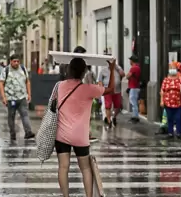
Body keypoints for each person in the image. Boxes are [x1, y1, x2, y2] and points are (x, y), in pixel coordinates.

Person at [55, 57, 116, 197]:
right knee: (85, 168)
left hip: (62, 134)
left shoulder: (60, 86)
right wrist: (111, 70)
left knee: (63, 167)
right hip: (80, 135)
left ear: (69, 70)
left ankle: (65, 196)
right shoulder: (89, 89)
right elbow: (111, 89)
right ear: (84, 72)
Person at [0, 54, 35, 140]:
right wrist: (3, 97)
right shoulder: (6, 70)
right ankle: (12, 134)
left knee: (25, 114)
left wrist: (29, 94)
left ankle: (28, 132)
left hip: (22, 97)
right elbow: (1, 83)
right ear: (10, 61)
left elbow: (27, 81)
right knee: (11, 116)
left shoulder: (23, 68)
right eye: (14, 61)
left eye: (18, 61)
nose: (16, 63)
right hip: (11, 99)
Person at [160, 61, 181, 139]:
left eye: (174, 68)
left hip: (179, 102)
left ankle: (179, 133)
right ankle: (170, 132)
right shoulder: (166, 80)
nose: (172, 70)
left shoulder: (180, 79)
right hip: (168, 102)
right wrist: (162, 100)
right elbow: (162, 90)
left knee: (178, 118)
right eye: (171, 68)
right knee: (169, 118)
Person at [126, 55, 141, 123]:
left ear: (132, 61)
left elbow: (127, 76)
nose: (129, 61)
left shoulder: (134, 68)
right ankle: (134, 116)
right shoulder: (137, 67)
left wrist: (128, 75)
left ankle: (135, 117)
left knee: (133, 102)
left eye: (130, 60)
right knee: (133, 102)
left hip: (134, 87)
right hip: (135, 87)